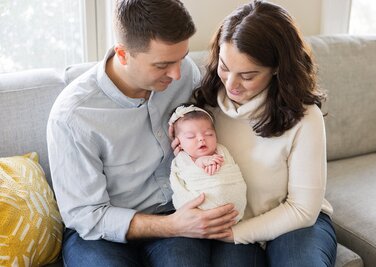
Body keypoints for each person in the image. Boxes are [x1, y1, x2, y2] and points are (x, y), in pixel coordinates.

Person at [47, 0, 264, 266]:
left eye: (181, 59)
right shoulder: (73, 116)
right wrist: (172, 226)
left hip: (177, 213)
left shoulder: (184, 74)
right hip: (99, 233)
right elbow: (85, 215)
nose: (176, 74)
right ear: (123, 54)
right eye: (162, 65)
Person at [191, 1, 337, 266]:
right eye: (224, 66)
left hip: (295, 222)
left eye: (247, 75)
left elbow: (303, 209)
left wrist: (238, 233)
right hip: (232, 223)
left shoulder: (305, 116)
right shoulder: (203, 107)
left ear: (277, 68)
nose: (231, 84)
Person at [168, 104, 247, 222]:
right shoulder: (181, 160)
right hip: (198, 214)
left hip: (233, 209)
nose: (201, 138)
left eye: (209, 134)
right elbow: (180, 183)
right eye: (190, 136)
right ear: (178, 142)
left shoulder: (221, 150)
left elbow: (230, 172)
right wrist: (200, 162)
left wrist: (217, 162)